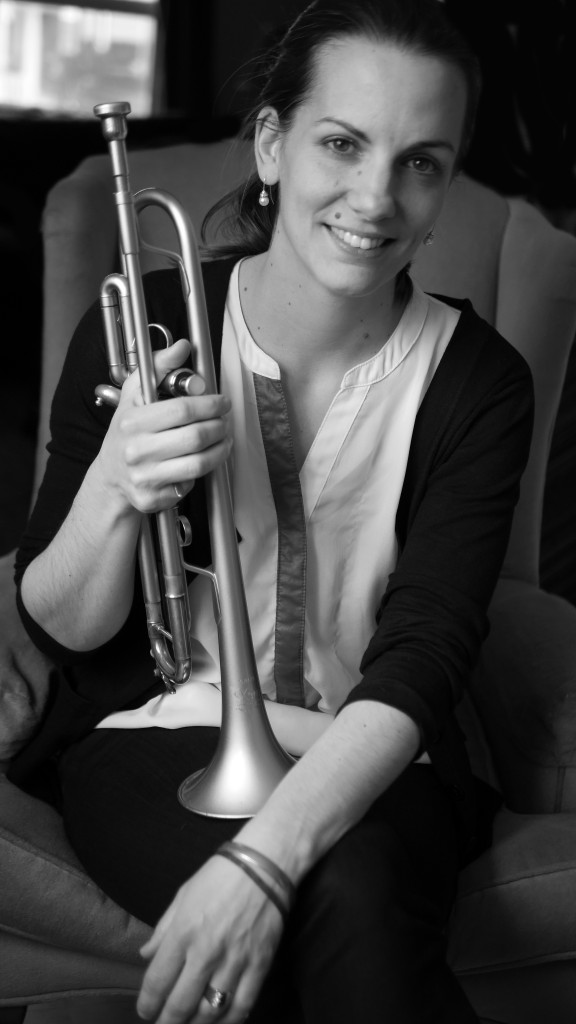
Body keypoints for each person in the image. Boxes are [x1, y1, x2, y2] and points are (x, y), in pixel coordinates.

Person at [11, 1, 534, 1021]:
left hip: (378, 747)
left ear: (445, 187)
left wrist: (258, 864)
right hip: (155, 732)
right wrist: (118, 484)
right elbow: (60, 625)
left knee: (348, 886)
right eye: (342, 143)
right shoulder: (146, 324)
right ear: (270, 144)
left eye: (422, 162)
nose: (376, 197)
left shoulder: (481, 383)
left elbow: (426, 652)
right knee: (352, 900)